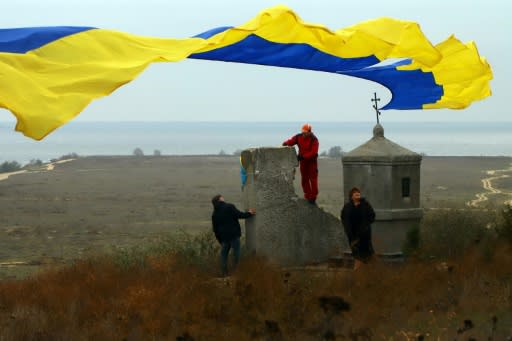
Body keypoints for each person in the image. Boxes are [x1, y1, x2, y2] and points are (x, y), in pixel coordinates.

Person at [211, 194, 255, 276]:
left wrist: (220, 240)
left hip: (224, 238)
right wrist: (249, 213)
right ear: (220, 199)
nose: (223, 197)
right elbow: (239, 215)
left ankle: (224, 273)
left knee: (223, 256)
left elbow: (215, 229)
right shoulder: (229, 207)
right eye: (222, 197)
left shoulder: (214, 214)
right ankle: (236, 272)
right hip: (233, 235)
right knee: (236, 254)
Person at [282, 123, 319, 204]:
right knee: (304, 179)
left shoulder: (314, 140)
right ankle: (307, 196)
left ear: (309, 132)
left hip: (312, 162)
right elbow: (292, 141)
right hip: (303, 162)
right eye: (303, 132)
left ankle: (313, 197)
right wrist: (285, 143)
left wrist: (303, 157)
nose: (303, 133)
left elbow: (313, 152)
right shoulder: (298, 137)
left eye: (305, 132)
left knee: (313, 180)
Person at [340, 187, 376, 270]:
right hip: (353, 237)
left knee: (367, 256)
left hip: (364, 236)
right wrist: (349, 232)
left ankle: (368, 274)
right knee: (357, 256)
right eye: (356, 194)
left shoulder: (365, 205)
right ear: (351, 196)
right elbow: (344, 219)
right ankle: (359, 274)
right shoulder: (347, 207)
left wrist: (366, 225)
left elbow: (372, 216)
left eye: (359, 194)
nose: (358, 195)